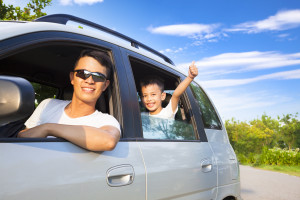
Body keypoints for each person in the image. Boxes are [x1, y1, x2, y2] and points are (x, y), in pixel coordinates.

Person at [18, 50, 121, 151]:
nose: (89, 81)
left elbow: (109, 141)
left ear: (105, 85)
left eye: (98, 77)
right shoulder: (48, 104)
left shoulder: (106, 121)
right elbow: (22, 137)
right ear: (72, 78)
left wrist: (48, 128)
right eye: (82, 73)